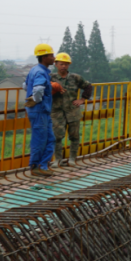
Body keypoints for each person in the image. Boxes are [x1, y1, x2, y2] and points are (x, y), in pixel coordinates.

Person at [50, 53, 93, 167]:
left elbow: (88, 86)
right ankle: (57, 159)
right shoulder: (51, 78)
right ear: (56, 64)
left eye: (66, 64)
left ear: (69, 65)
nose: (63, 66)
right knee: (57, 137)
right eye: (61, 64)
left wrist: (82, 99)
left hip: (73, 112)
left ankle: (72, 159)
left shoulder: (75, 78)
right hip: (57, 112)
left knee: (74, 136)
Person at [24, 44, 57, 176]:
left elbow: (25, 85)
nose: (54, 58)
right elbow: (37, 88)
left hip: (43, 111)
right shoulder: (40, 72)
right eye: (51, 55)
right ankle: (35, 166)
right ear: (44, 57)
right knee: (40, 139)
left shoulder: (35, 69)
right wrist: (36, 99)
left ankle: (43, 165)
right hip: (39, 110)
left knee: (50, 138)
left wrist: (33, 96)